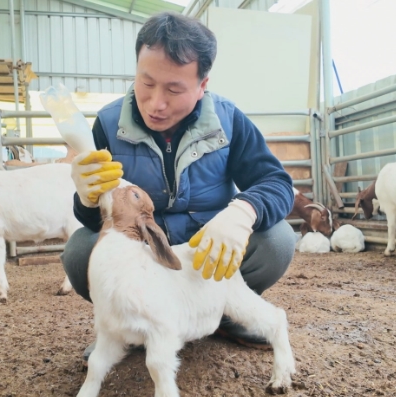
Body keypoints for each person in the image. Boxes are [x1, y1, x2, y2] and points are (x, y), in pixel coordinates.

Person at [62, 10, 296, 363]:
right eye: (146, 82)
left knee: (276, 241)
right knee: (81, 251)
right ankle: (127, 327)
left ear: (203, 85)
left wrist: (242, 211)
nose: (156, 103)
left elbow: (276, 182)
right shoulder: (109, 123)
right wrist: (85, 196)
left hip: (205, 251)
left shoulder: (229, 120)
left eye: (174, 89)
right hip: (146, 256)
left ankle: (226, 315)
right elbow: (95, 219)